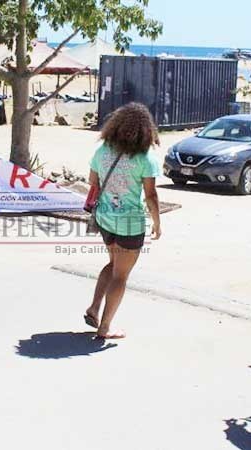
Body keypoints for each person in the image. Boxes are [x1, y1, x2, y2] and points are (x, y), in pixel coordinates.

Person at [83, 102, 162, 340]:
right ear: (146, 130)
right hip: (129, 222)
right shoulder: (145, 158)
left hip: (105, 218)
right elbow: (150, 195)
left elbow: (93, 182)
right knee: (121, 275)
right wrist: (157, 223)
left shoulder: (103, 151)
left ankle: (94, 308)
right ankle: (105, 327)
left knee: (113, 264)